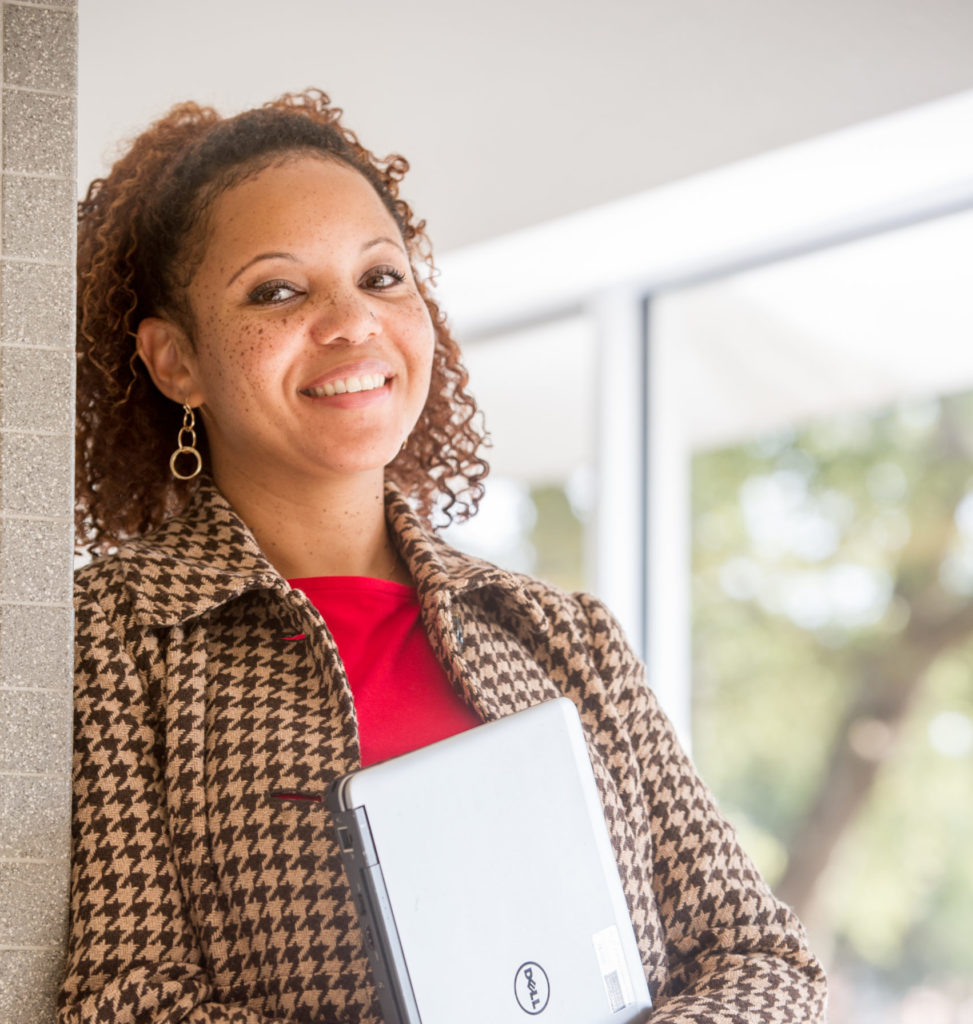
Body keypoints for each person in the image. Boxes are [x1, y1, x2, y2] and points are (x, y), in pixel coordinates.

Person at [65, 89, 828, 1023]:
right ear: (174, 360)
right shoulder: (112, 637)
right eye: (278, 290)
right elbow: (123, 999)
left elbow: (760, 956)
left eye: (381, 277)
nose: (352, 322)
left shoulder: (563, 635)